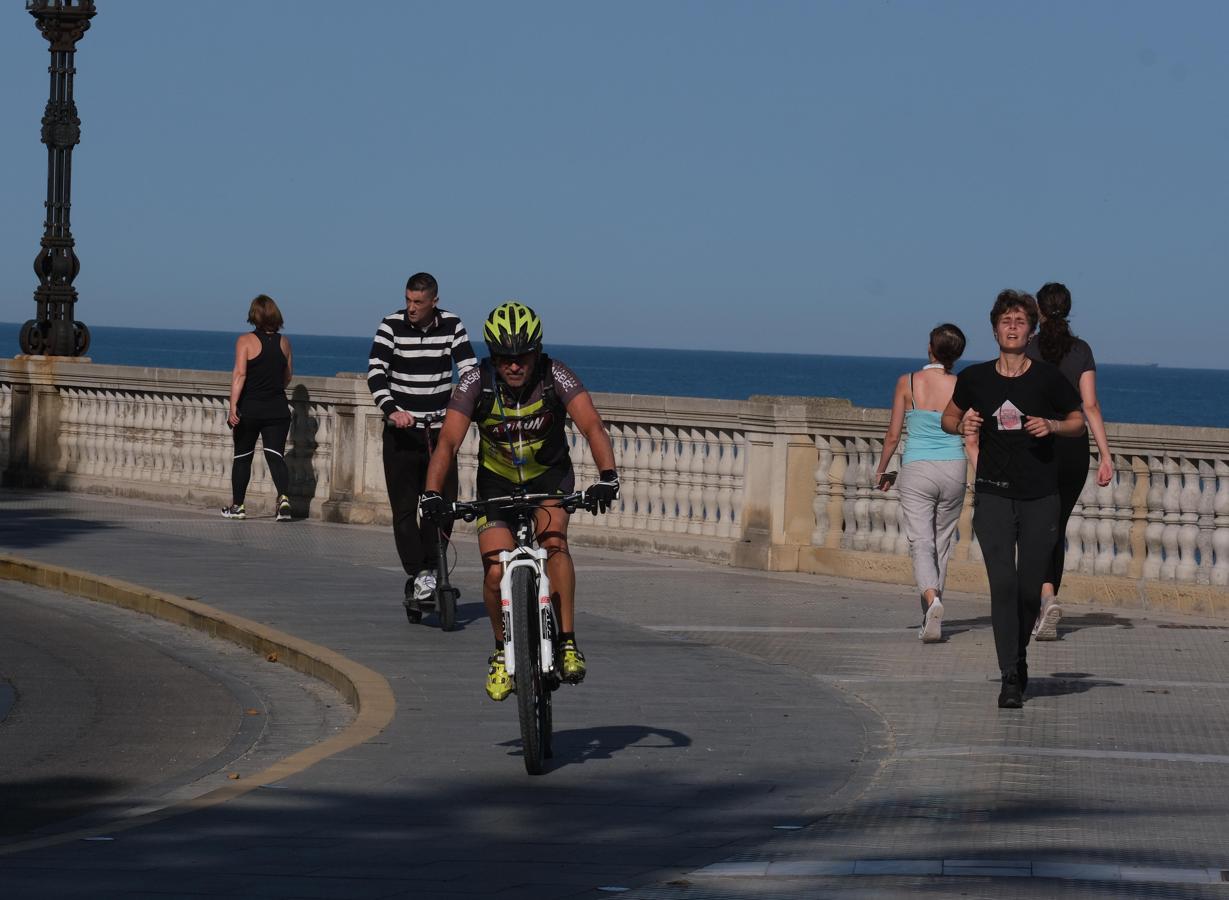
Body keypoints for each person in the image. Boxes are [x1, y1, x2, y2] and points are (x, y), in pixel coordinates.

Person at [420, 302, 619, 701]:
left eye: (522, 357)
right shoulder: (476, 381)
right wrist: (431, 493)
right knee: (495, 572)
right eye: (505, 358)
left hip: (549, 478)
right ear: (493, 356)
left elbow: (592, 424)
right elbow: (448, 442)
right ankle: (499, 651)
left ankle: (566, 642)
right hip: (496, 484)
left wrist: (607, 476)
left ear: (537, 352)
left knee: (554, 545)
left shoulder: (555, 376)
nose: (514, 366)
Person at [941, 290, 1084, 709]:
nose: (1013, 327)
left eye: (1021, 321)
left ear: (1032, 330)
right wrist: (960, 422)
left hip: (1042, 496)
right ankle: (1010, 674)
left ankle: (1017, 658)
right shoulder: (974, 378)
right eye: (1006, 320)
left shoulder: (1047, 379)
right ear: (995, 328)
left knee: (1027, 590)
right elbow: (949, 416)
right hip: (993, 494)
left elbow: (1078, 421)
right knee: (1003, 584)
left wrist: (1053, 426)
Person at [367, 272, 477, 612]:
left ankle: (431, 569)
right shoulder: (391, 325)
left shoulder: (453, 325)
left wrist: (468, 407)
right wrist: (391, 410)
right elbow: (376, 372)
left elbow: (470, 370)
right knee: (404, 511)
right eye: (407, 301)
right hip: (402, 434)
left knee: (443, 507)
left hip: (440, 435)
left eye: (418, 302)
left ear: (434, 302)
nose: (411, 308)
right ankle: (419, 574)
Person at [874, 323, 977, 643]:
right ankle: (931, 617)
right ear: (956, 355)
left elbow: (893, 435)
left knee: (921, 541)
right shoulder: (963, 385)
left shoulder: (907, 382)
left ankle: (932, 600)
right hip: (954, 468)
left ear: (930, 349)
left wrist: (882, 470)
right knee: (942, 542)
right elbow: (971, 434)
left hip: (918, 467)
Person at [1025, 282, 1114, 640]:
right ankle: (1048, 599)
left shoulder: (1027, 347)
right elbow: (1089, 405)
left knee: (1033, 527)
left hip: (1037, 443)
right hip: (1075, 447)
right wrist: (1105, 455)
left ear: (1039, 310)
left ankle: (1044, 600)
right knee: (1055, 527)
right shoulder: (1082, 350)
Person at [223, 295, 294, 521]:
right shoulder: (285, 343)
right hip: (278, 409)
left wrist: (233, 405)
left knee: (243, 457)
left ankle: (238, 507)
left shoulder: (244, 341)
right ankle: (283, 500)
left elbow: (240, 375)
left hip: (250, 409)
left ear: (254, 315)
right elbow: (288, 377)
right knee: (275, 456)